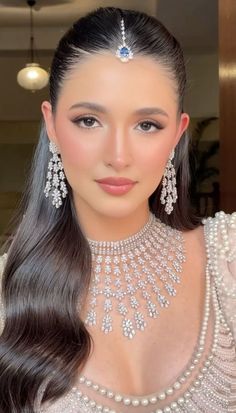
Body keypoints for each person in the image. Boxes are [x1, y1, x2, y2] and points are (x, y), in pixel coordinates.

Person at [0, 6, 235, 413]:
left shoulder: (228, 259)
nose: (118, 156)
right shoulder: (7, 293)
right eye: (89, 120)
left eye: (147, 125)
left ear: (178, 135)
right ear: (52, 124)